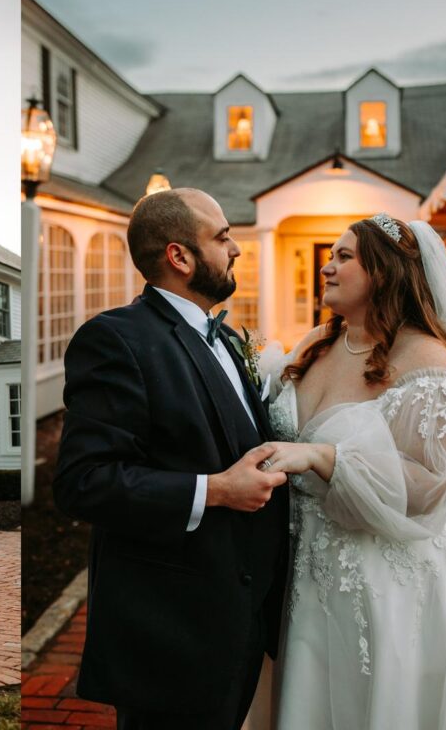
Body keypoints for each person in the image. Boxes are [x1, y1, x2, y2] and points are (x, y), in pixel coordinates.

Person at [260, 215, 446, 728]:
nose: (327, 267)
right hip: (309, 569)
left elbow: (428, 489)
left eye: (343, 257)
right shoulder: (319, 341)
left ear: (383, 274)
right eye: (331, 256)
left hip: (392, 580)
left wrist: (327, 459)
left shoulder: (431, 363)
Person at [55, 188, 289, 730]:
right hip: (172, 635)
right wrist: (216, 490)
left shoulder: (228, 338)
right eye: (223, 237)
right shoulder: (115, 339)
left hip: (241, 622)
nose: (236, 249)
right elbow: (82, 481)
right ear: (180, 257)